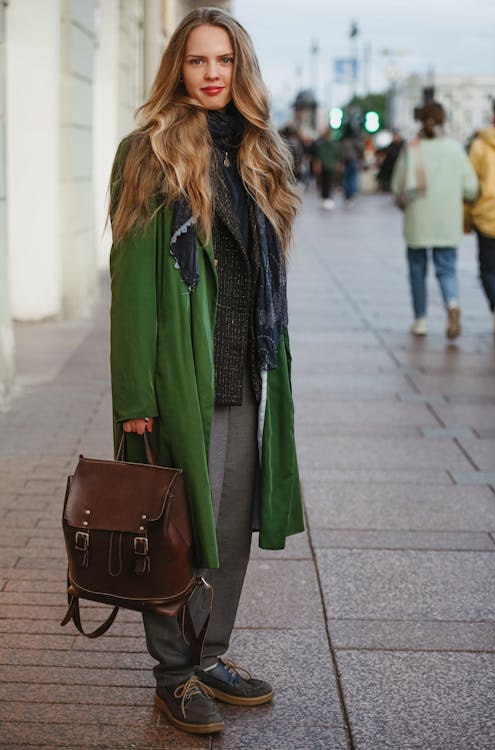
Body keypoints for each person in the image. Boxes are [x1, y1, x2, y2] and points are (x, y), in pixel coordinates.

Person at [108, 7, 304, 736]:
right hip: (179, 379)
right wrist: (136, 396)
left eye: (224, 60)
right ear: (178, 69)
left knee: (227, 529)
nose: (212, 73)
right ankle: (172, 674)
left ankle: (208, 653)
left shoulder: (258, 154)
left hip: (244, 371)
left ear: (240, 70)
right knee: (176, 532)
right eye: (197, 61)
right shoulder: (149, 152)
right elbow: (130, 283)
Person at [391, 101, 479, 338]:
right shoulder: (455, 149)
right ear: (444, 120)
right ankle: (452, 304)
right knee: (447, 269)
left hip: (418, 220)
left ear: (421, 121)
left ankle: (420, 320)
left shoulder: (412, 147)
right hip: (447, 221)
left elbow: (396, 185)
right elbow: (471, 188)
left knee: (417, 270)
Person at [467, 99, 495, 344]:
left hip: (487, 215)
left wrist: (467, 217)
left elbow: (469, 186)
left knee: (488, 269)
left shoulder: (480, 145)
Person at [312, 126, 342, 209]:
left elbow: (338, 156)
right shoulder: (322, 145)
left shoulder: (332, 145)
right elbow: (318, 156)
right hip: (325, 166)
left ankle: (327, 197)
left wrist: (338, 164)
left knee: (328, 182)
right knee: (325, 182)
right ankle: (325, 197)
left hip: (329, 166)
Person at [340, 122, 364, 207]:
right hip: (353, 160)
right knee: (353, 178)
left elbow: (341, 152)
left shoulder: (343, 140)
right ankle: (352, 195)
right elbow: (360, 150)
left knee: (346, 179)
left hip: (345, 161)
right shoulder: (355, 140)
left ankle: (347, 196)